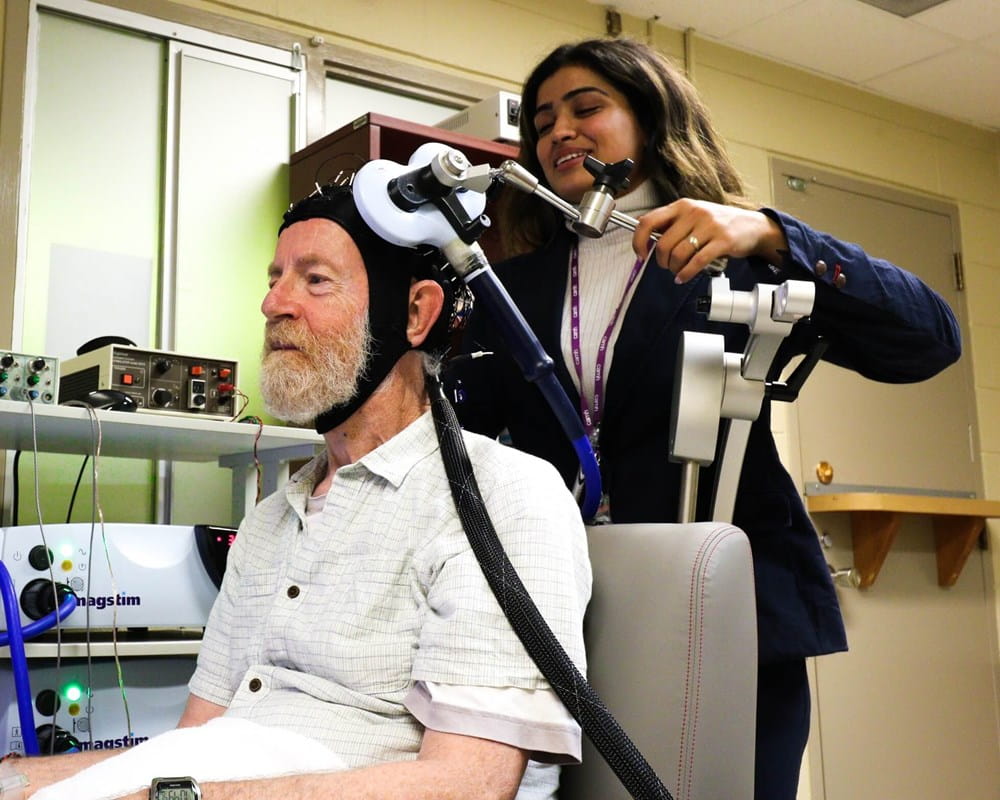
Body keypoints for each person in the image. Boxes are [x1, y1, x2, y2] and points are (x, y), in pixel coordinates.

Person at [445, 37, 961, 800]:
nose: (559, 131)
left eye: (588, 108)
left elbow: (929, 340)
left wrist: (776, 233)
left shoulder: (739, 254)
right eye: (543, 120)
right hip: (570, 607)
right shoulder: (509, 287)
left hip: (730, 608)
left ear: (653, 124)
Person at [17, 185, 592, 800]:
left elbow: (467, 786)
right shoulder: (269, 523)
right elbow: (194, 744)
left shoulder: (504, 497)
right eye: (275, 278)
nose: (273, 303)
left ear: (416, 314)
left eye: (314, 279)